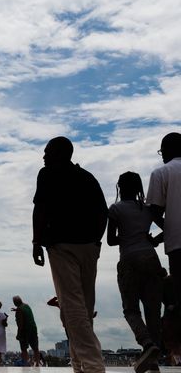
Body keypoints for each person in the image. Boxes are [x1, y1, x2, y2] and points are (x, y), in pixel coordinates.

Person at [32, 136, 107, 373]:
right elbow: (103, 212)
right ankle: (78, 364)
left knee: (72, 305)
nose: (43, 157)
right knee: (83, 307)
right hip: (89, 247)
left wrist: (36, 242)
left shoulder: (47, 175)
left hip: (62, 245)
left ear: (59, 154)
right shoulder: (87, 177)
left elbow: (40, 209)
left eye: (47, 152)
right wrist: (96, 242)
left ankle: (93, 365)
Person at [108, 171, 163, 373]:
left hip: (129, 260)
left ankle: (147, 343)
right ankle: (154, 361)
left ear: (120, 187)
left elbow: (111, 240)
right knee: (153, 310)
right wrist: (154, 240)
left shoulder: (115, 209)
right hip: (150, 259)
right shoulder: (148, 209)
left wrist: (127, 236)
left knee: (131, 309)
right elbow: (169, 226)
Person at [147, 132, 181, 310]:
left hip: (177, 247)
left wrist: (160, 236)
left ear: (167, 150)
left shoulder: (161, 173)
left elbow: (154, 211)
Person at [13, 296, 39, 366]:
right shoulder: (26, 306)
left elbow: (20, 325)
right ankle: (37, 364)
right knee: (35, 348)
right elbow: (23, 311)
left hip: (25, 331)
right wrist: (17, 310)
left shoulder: (19, 310)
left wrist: (18, 334)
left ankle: (27, 364)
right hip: (33, 329)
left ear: (15, 303)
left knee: (24, 349)